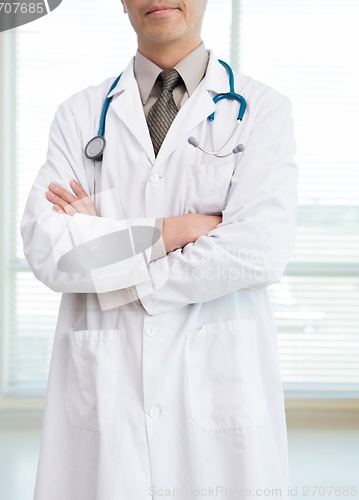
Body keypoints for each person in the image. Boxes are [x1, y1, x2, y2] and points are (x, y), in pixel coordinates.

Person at [21, 1, 298, 499]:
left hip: (219, 399)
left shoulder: (262, 111)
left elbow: (260, 249)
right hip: (107, 397)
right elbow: (49, 250)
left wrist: (111, 249)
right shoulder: (80, 116)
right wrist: (176, 230)